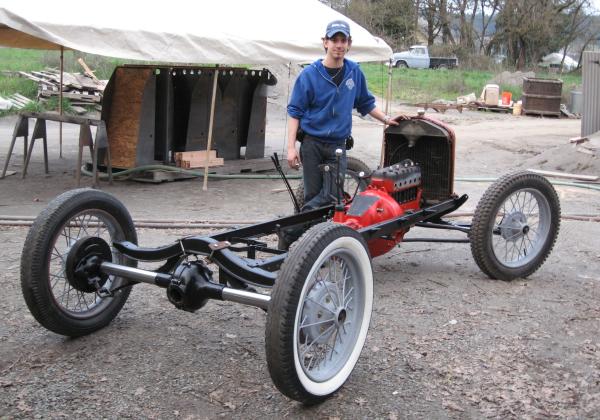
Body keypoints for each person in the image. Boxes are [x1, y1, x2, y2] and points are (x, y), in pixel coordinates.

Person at [287, 19, 407, 210]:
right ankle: (305, 234)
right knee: (312, 196)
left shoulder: (354, 72)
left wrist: (386, 119)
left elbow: (365, 103)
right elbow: (294, 112)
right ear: (325, 42)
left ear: (349, 44)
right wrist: (291, 147)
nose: (339, 45)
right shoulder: (309, 75)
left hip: (337, 145)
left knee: (333, 196)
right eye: (335, 40)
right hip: (312, 144)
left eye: (343, 40)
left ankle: (297, 230)